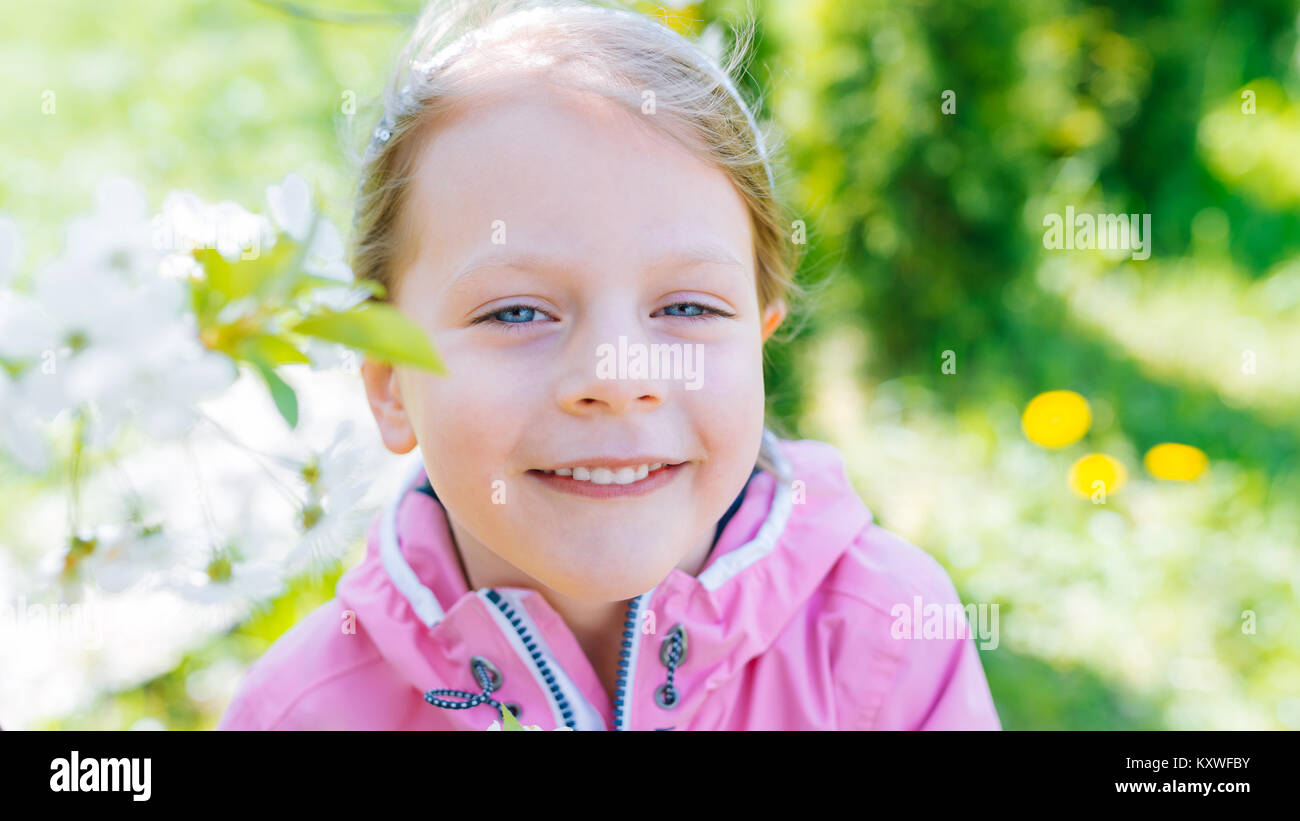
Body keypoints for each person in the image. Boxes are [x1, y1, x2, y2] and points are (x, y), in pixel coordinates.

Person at [218, 0, 1000, 730]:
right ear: (390, 381)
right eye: (517, 312)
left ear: (758, 343)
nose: (617, 375)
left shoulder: (886, 638)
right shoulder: (299, 710)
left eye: (687, 307)